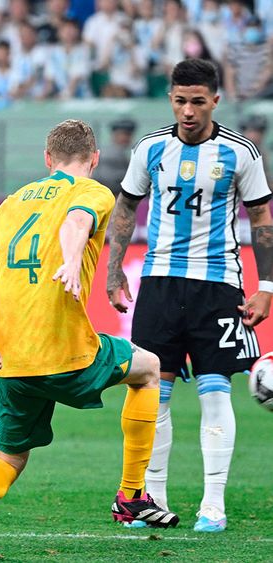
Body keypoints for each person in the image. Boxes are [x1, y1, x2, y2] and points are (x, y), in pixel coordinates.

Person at [0, 119, 178, 559]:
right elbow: (75, 224)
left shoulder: (13, 201)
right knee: (148, 369)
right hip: (65, 351)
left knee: (6, 460)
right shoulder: (93, 191)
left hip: (8, 358)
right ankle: (131, 495)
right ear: (93, 159)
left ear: (47, 160)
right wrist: (72, 261)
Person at [106, 59, 273, 533]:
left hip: (218, 284)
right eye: (180, 101)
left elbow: (262, 219)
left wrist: (266, 288)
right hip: (158, 283)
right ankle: (150, 498)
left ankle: (213, 504)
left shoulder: (242, 153)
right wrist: (115, 272)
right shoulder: (151, 148)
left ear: (215, 101)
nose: (188, 111)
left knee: (215, 390)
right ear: (170, 100)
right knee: (150, 392)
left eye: (198, 101)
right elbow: (125, 207)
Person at [93, 117, 137, 196]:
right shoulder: (107, 151)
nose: (125, 137)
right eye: (122, 134)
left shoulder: (132, 150)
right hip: (104, 190)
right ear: (114, 135)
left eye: (128, 134)